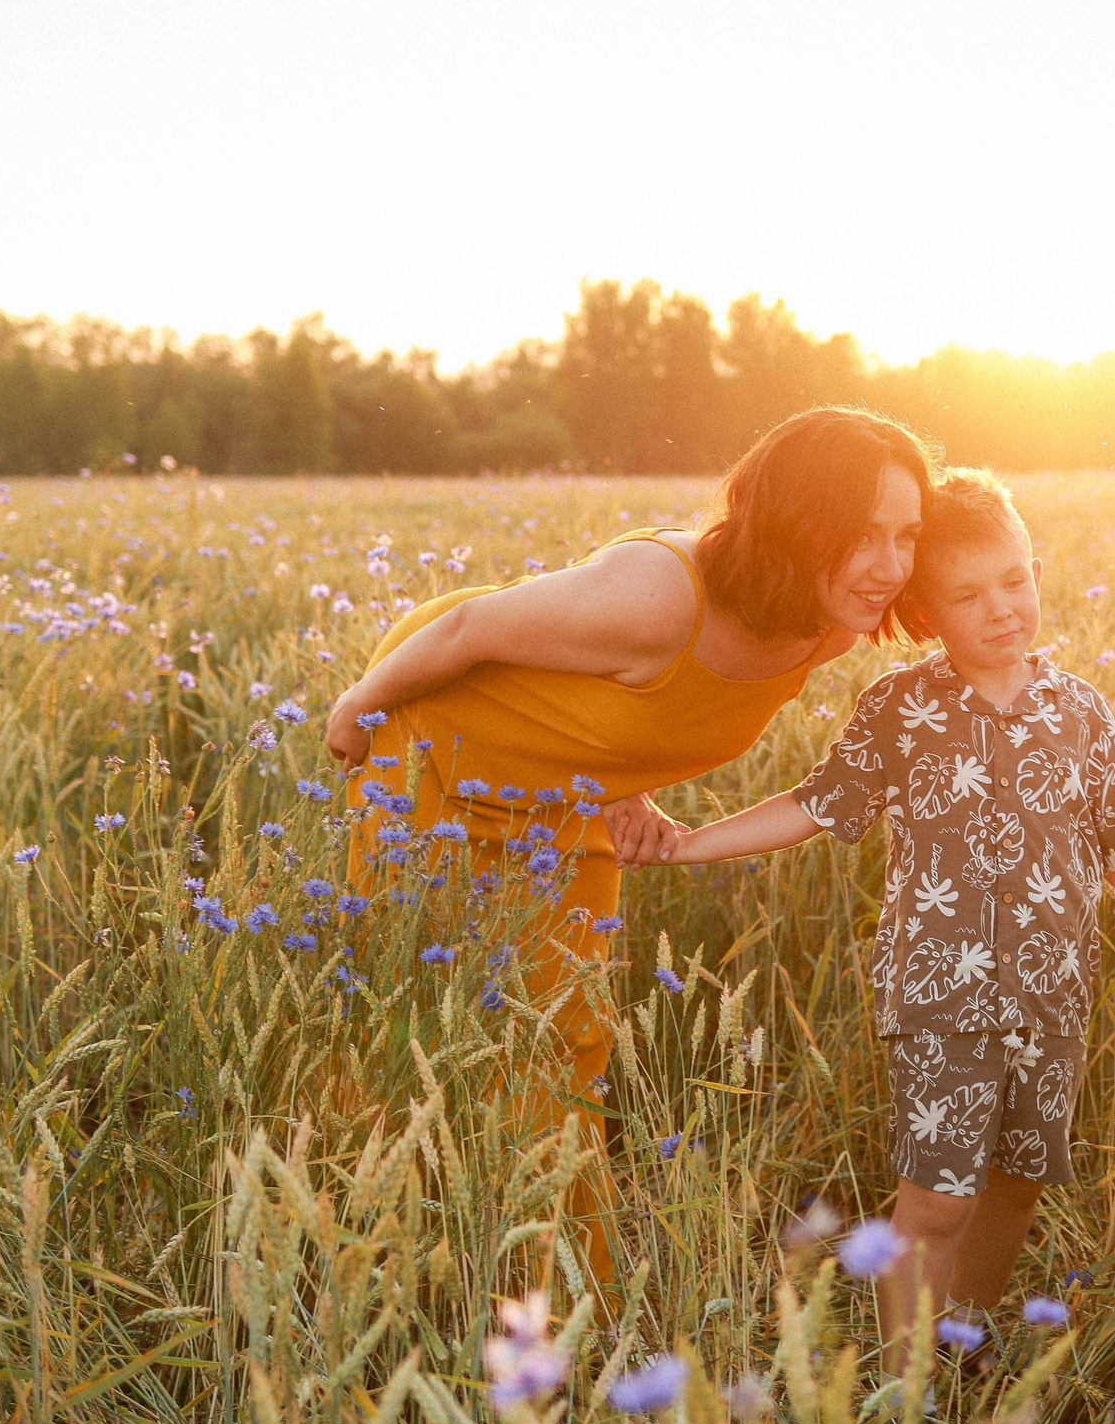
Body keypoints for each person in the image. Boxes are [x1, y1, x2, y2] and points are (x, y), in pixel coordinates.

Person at [324, 406, 940, 1283]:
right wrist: (355, 714)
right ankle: (389, 1275)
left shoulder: (831, 624)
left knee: (570, 1040)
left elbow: (637, 701)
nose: (889, 566)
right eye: (861, 533)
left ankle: (565, 1303)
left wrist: (631, 785)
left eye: (907, 535)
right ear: (799, 525)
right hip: (435, 754)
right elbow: (470, 633)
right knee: (417, 1025)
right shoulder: (657, 594)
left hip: (567, 799)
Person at [638, 468, 1115, 1362]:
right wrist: (688, 841)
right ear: (929, 614)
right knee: (937, 1200)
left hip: (1054, 996)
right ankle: (905, 1408)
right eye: (968, 596)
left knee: (1017, 1185)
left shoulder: (1082, 711)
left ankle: (953, 1351)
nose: (1002, 609)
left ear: (1038, 572)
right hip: (940, 992)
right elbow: (818, 803)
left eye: (1014, 580)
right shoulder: (902, 709)